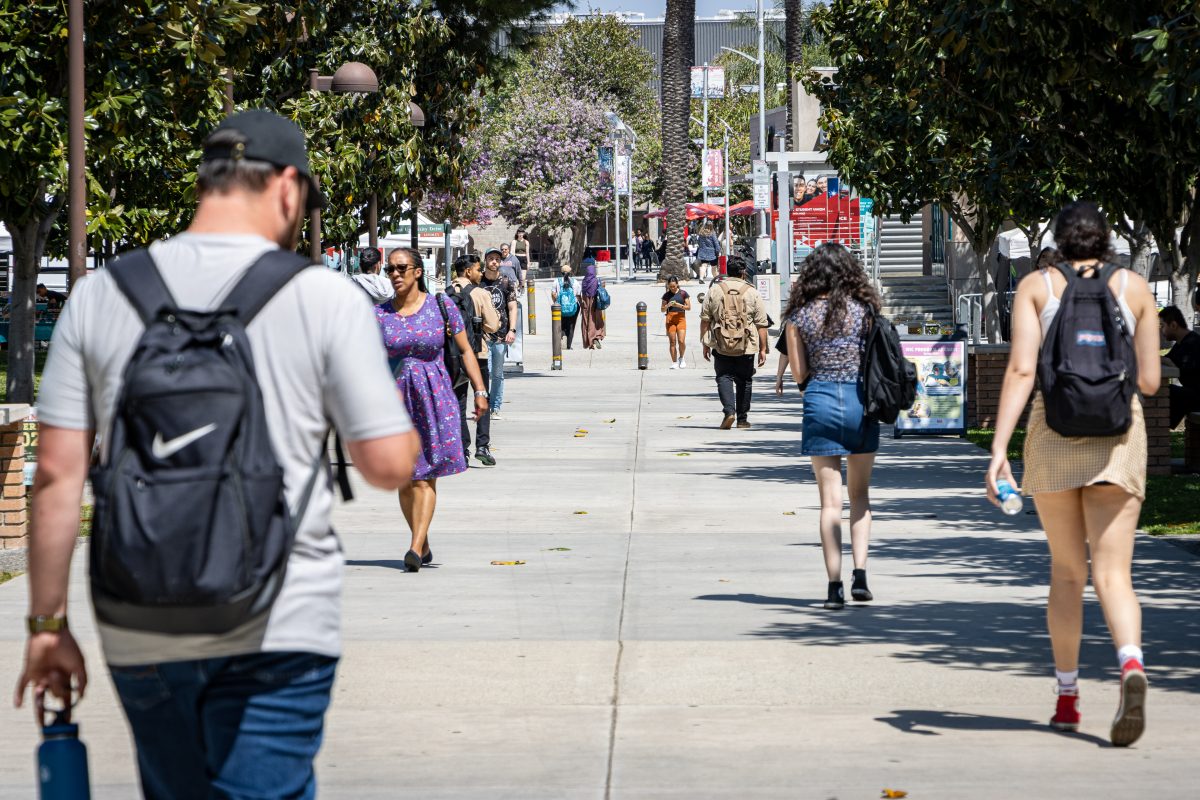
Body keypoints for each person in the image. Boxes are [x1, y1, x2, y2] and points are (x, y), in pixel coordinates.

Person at [16, 109, 421, 798]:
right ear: (288, 188)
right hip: (280, 618)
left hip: (140, 616)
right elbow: (387, 465)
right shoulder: (322, 296)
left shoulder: (102, 295)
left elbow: (55, 475)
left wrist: (48, 625)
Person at [985, 201, 1161, 747]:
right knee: (1115, 575)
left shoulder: (1037, 285)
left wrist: (998, 451)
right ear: (1106, 240)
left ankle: (1067, 697)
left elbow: (1019, 369)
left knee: (1067, 573)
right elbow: (1151, 383)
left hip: (1054, 436)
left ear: (1058, 241)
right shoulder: (1134, 288)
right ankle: (1130, 665)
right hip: (1118, 438)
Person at [783, 243, 881, 611]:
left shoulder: (799, 317)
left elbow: (799, 374)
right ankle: (861, 575)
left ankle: (833, 586)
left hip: (820, 401)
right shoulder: (864, 312)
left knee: (829, 503)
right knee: (860, 496)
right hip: (859, 401)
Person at [377, 247, 488, 571]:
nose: (395, 274)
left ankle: (413, 547)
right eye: (390, 269)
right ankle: (421, 539)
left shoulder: (441, 307)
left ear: (417, 271)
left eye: (401, 268)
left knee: (425, 475)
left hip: (434, 398)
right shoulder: (379, 314)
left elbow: (467, 351)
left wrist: (480, 390)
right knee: (405, 477)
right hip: (394, 401)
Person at [700, 254, 769, 429]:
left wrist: (705, 343)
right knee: (744, 380)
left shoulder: (714, 290)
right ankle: (742, 419)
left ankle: (729, 411)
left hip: (720, 343)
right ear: (743, 272)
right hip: (746, 345)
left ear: (726, 271)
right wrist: (763, 348)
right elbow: (762, 323)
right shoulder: (752, 292)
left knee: (724, 376)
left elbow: (705, 319)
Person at [450, 254, 501, 465]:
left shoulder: (446, 292)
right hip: (477, 353)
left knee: (458, 403)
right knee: (482, 399)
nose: (481, 273)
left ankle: (462, 448)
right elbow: (493, 325)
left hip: (454, 355)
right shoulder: (480, 293)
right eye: (478, 270)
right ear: (469, 271)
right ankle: (482, 445)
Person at [480, 247, 518, 419]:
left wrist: (512, 330)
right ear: (485, 261)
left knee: (497, 374)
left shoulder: (506, 281)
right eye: (491, 258)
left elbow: (512, 307)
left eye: (497, 259)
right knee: (484, 372)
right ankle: (484, 406)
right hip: (482, 335)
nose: (494, 261)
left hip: (501, 335)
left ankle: (495, 407)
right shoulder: (478, 281)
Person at [1159, 305, 1200, 427]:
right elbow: (1166, 359)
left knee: (1165, 391)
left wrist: (1165, 360)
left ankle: (1159, 429)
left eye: (1163, 326)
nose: (1161, 331)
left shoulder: (1194, 343)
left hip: (1197, 397)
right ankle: (1158, 428)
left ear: (1173, 325)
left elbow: (1183, 370)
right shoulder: (1180, 344)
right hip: (1193, 395)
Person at [661, 275, 691, 369]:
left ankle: (681, 358)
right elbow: (662, 309)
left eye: (674, 286)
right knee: (672, 341)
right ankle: (674, 362)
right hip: (670, 319)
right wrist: (667, 306)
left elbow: (689, 307)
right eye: (670, 287)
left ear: (677, 284)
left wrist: (679, 305)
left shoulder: (683, 293)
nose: (673, 288)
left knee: (681, 341)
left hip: (681, 318)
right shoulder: (666, 295)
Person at [579, 257, 607, 349]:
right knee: (596, 321)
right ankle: (596, 336)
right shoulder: (596, 281)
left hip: (586, 306)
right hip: (596, 306)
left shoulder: (584, 281)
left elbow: (581, 293)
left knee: (587, 321)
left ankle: (589, 341)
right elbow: (600, 291)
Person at [552, 264, 580, 350]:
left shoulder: (556, 281)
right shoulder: (575, 282)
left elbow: (553, 294)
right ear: (571, 272)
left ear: (561, 272)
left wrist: (556, 303)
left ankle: (562, 337)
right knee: (571, 325)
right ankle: (568, 345)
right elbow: (578, 295)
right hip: (573, 307)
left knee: (561, 324)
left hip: (560, 307)